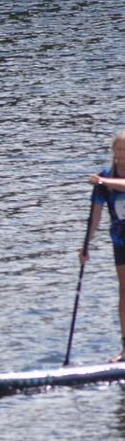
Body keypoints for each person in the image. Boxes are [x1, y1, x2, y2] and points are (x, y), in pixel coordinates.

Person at [84, 130, 125, 361]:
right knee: (124, 291)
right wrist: (86, 247)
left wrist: (103, 181)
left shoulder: (104, 180)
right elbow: (95, 218)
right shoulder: (104, 179)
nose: (121, 155)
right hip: (121, 241)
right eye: (118, 150)